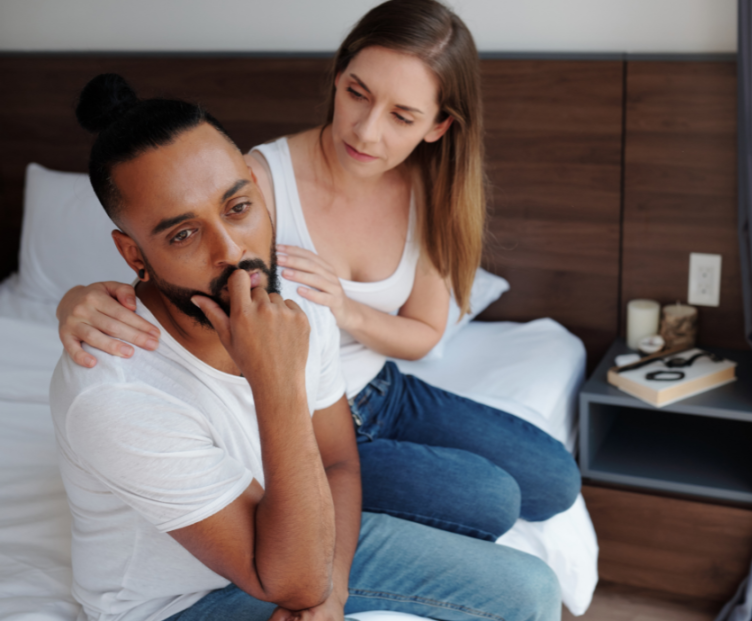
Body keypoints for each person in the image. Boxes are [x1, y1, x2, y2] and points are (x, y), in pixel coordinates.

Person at [55, 0, 581, 543]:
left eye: (402, 116)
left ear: (438, 126)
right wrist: (77, 298)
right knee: (493, 500)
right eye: (357, 93)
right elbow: (167, 271)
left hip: (384, 392)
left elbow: (424, 335)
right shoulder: (256, 181)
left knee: (556, 481)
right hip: (300, 418)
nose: (367, 131)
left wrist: (347, 308)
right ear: (336, 76)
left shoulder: (429, 191)